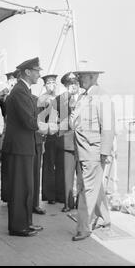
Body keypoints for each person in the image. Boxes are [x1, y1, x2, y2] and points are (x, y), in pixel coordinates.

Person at [69, 70, 115, 241]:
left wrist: (104, 153)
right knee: (95, 186)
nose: (78, 79)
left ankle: (83, 228)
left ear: (93, 77)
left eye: (82, 76)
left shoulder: (102, 97)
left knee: (86, 189)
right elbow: (75, 122)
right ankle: (104, 218)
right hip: (81, 151)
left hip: (93, 152)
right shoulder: (83, 97)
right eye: (79, 76)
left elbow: (108, 127)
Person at [1, 57, 44, 237]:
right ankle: (18, 227)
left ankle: (26, 222)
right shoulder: (19, 92)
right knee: (20, 189)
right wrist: (48, 127)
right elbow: (29, 121)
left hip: (24, 147)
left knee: (27, 187)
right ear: (27, 72)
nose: (39, 74)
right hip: (19, 148)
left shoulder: (23, 90)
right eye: (36, 71)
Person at [54, 72, 82, 212]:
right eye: (70, 84)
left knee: (82, 175)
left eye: (75, 83)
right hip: (67, 142)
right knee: (67, 175)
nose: (73, 86)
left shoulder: (86, 98)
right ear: (65, 86)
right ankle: (67, 203)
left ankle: (81, 203)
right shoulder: (59, 100)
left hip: (84, 143)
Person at [39, 74, 64, 205]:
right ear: (45, 85)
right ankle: (50, 195)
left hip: (60, 134)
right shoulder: (42, 99)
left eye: (54, 83)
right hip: (48, 135)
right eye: (49, 83)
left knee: (61, 164)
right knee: (49, 164)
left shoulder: (61, 98)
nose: (52, 85)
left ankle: (61, 194)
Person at [0, 70, 17, 203]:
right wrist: (5, 90)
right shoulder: (3, 97)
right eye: (11, 81)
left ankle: (15, 193)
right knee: (6, 165)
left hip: (17, 133)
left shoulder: (20, 95)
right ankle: (7, 194)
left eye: (15, 81)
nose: (13, 83)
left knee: (15, 166)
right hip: (6, 132)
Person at [32, 94, 47, 215]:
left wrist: (42, 142)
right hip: (22, 143)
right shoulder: (14, 98)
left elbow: (42, 121)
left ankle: (34, 203)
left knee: (36, 174)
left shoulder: (37, 100)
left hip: (36, 141)